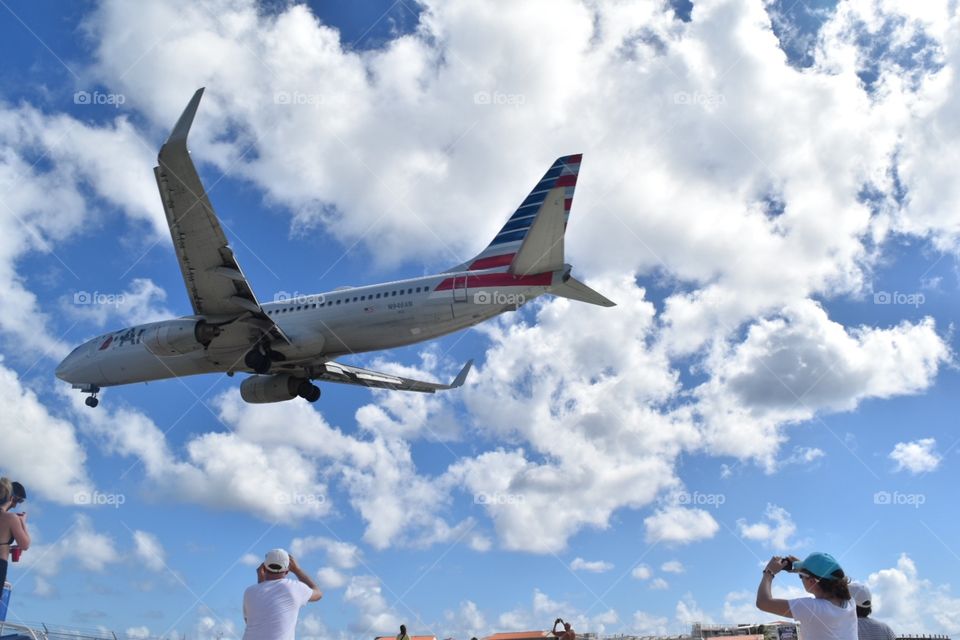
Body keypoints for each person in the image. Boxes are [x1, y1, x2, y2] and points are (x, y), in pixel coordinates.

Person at [756, 552, 857, 640]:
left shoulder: (812, 608)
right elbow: (835, 579)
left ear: (812, 581)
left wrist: (769, 573)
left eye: (801, 576)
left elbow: (763, 603)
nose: (800, 578)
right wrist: (805, 569)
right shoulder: (850, 603)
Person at [242, 548, 322, 640]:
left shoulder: (249, 591)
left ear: (263, 568)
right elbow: (318, 594)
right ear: (287, 571)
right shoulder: (295, 588)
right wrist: (297, 570)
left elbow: (254, 621)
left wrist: (261, 582)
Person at [0, 478, 30, 588]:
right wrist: (22, 523)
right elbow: (25, 545)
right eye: (18, 501)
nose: (15, 506)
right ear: (11, 497)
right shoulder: (11, 518)